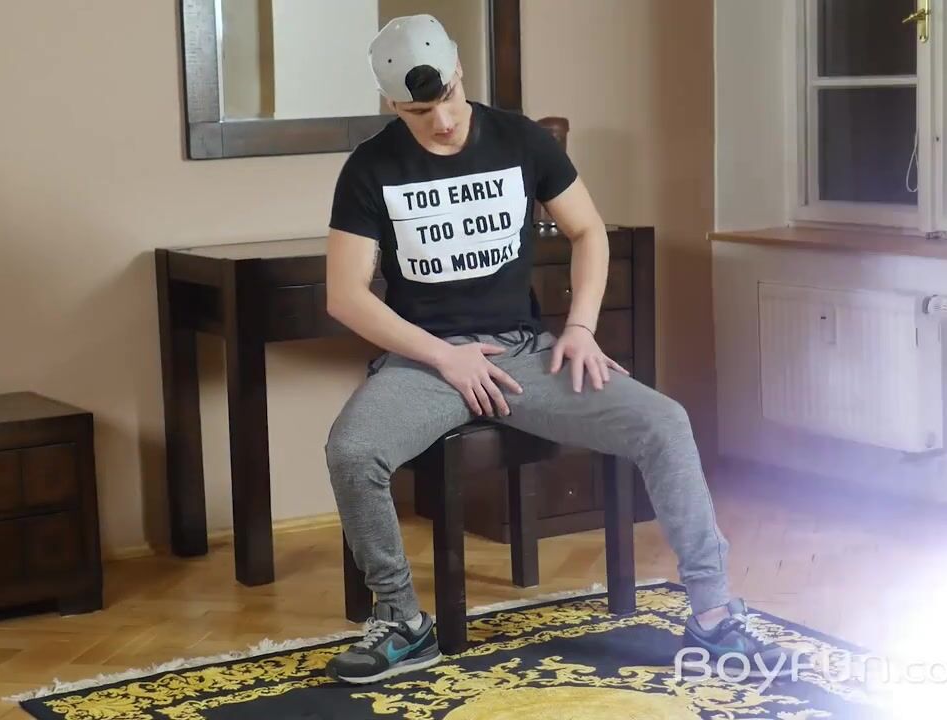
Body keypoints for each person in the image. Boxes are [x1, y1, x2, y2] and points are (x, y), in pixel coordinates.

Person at [321, 14, 789, 685]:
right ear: (393, 105)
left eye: (449, 97)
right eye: (420, 112)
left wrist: (581, 328)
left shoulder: (520, 139)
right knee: (352, 451)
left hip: (524, 355)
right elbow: (346, 296)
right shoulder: (370, 168)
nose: (443, 122)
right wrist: (445, 357)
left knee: (664, 422)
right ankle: (402, 622)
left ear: (460, 73)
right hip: (427, 362)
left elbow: (589, 231)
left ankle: (714, 614)